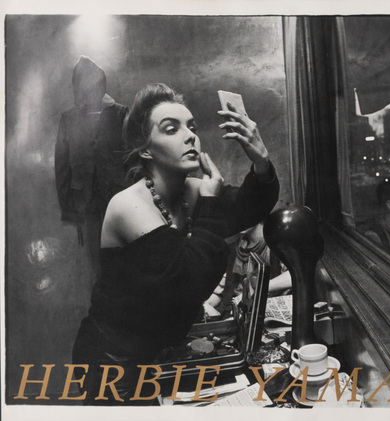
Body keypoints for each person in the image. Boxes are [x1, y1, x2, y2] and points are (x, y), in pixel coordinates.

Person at [71, 83, 279, 405]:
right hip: (114, 364)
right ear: (145, 150)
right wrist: (209, 202)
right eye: (172, 129)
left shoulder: (191, 192)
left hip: (158, 354)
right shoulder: (128, 205)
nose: (190, 136)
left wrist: (261, 160)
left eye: (192, 127)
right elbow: (188, 281)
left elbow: (250, 208)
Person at [54, 56, 130, 277]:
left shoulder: (121, 114)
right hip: (86, 202)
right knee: (95, 262)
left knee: (121, 256)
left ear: (101, 83)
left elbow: (132, 160)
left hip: (118, 199)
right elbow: (61, 166)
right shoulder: (68, 119)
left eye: (93, 83)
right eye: (81, 85)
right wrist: (69, 208)